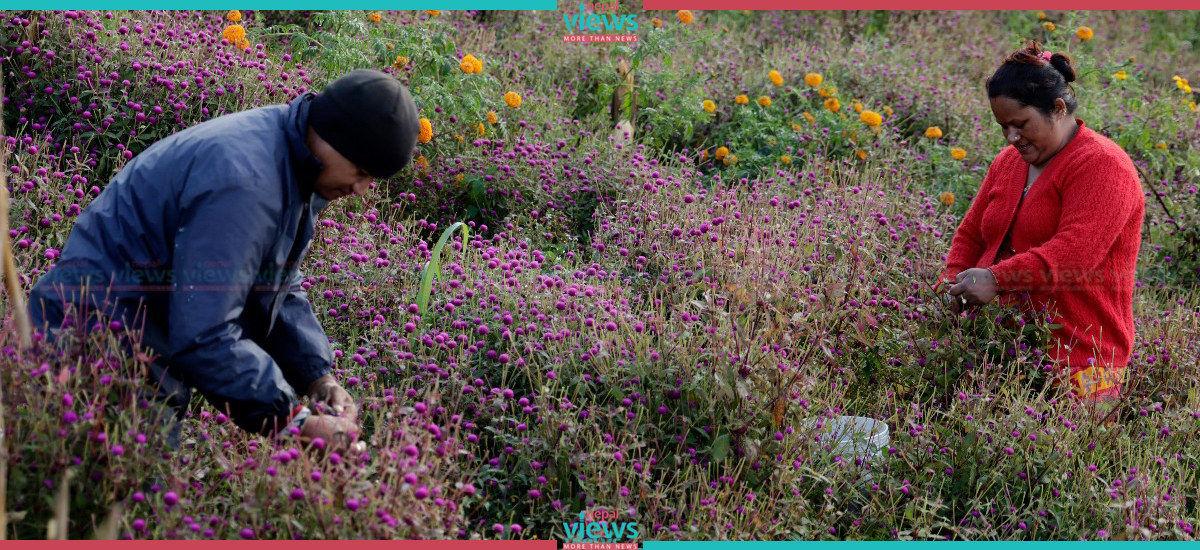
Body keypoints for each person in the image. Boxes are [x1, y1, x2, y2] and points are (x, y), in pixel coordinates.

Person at [28, 69, 420, 448]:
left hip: (138, 334)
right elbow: (205, 332)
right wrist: (294, 421)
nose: (361, 189)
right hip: (95, 340)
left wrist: (317, 376)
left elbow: (272, 279)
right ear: (331, 135)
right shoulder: (244, 182)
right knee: (96, 480)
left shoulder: (295, 160)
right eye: (361, 171)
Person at [941, 42, 1144, 403]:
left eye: (1021, 124)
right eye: (1004, 127)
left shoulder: (1103, 166)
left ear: (1058, 109)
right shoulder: (1008, 162)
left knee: (1073, 441)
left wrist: (996, 279)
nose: (1012, 137)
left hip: (1082, 359)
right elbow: (972, 234)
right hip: (1000, 348)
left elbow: (1074, 254)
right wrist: (952, 283)